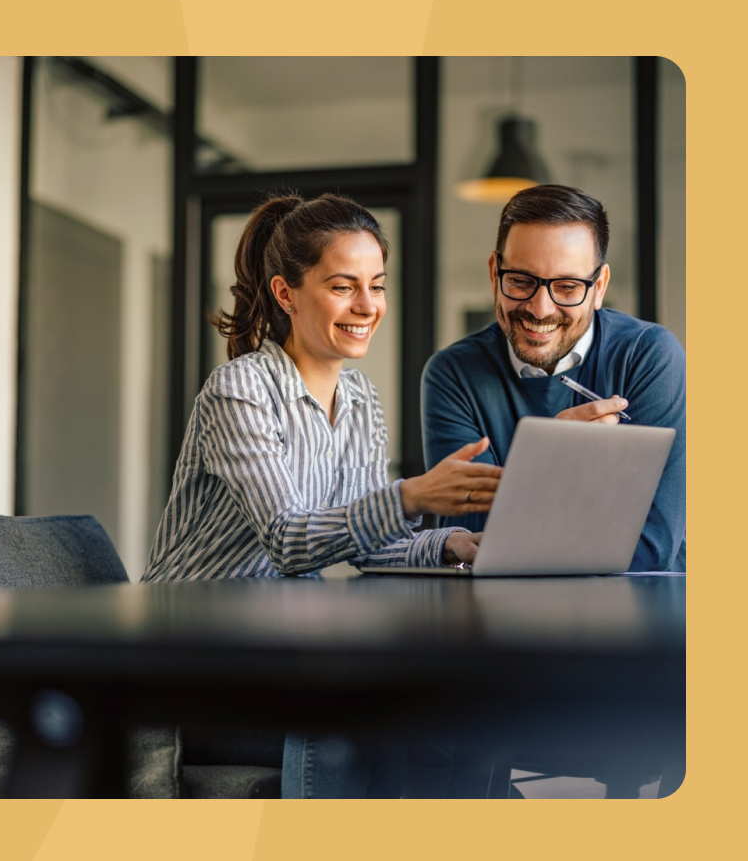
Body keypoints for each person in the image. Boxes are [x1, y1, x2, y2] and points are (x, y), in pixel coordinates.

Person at [142, 193, 501, 798]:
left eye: (377, 285)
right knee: (365, 718)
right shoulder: (240, 390)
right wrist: (412, 495)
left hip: (282, 652)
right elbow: (290, 539)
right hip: (194, 669)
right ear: (286, 294)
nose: (368, 306)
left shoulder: (361, 398)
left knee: (454, 721)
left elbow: (371, 545)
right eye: (343, 286)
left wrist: (453, 545)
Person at [421, 185, 686, 572]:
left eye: (566, 286)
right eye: (521, 280)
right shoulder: (453, 374)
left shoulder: (649, 356)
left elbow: (654, 543)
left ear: (599, 288)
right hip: (505, 615)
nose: (540, 308)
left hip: (642, 608)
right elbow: (476, 540)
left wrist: (525, 502)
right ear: (495, 273)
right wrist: (550, 462)